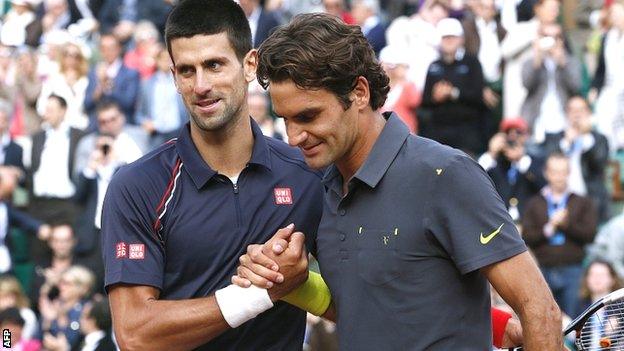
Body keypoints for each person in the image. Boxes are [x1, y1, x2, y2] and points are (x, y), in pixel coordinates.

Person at [234, 12, 562, 350]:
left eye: (308, 116)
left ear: (359, 92)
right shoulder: (321, 188)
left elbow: (540, 310)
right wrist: (292, 283)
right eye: (285, 119)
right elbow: (368, 311)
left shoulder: (445, 174)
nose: (293, 137)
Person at [102, 1, 324, 350]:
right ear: (174, 77)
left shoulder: (307, 175)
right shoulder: (136, 186)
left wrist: (300, 283)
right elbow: (134, 335)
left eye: (214, 65)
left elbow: (353, 299)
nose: (201, 85)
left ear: (250, 65)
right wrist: (263, 293)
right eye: (187, 71)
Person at [522, 153, 597, 317]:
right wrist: (548, 228)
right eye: (555, 172)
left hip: (573, 268)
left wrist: (565, 225)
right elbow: (527, 237)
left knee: (574, 319)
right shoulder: (535, 203)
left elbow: (590, 234)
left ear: (569, 173)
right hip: (542, 269)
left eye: (563, 172)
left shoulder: (581, 201)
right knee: (545, 318)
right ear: (546, 173)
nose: (558, 177)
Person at [421, 17, 487, 156]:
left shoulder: (472, 63)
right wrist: (435, 97)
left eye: (452, 37)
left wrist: (453, 93)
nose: (449, 41)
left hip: (466, 133)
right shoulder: (434, 66)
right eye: (445, 37)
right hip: (439, 134)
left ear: (461, 39)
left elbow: (478, 96)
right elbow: (425, 101)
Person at [542, 96, 611, 222]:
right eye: (573, 110)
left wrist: (585, 137)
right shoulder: (555, 138)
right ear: (566, 114)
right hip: (558, 203)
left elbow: (598, 164)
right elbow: (549, 163)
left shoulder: (599, 139)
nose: (577, 115)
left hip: (591, 202)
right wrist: (567, 142)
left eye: (581, 110)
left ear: (589, 113)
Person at [478, 118, 545, 221]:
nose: (513, 137)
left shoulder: (533, 161)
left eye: (518, 132)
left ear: (525, 136)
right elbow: (476, 178)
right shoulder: (495, 163)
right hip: (500, 221)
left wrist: (521, 159)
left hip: (527, 223)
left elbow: (543, 186)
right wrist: (491, 153)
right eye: (508, 132)